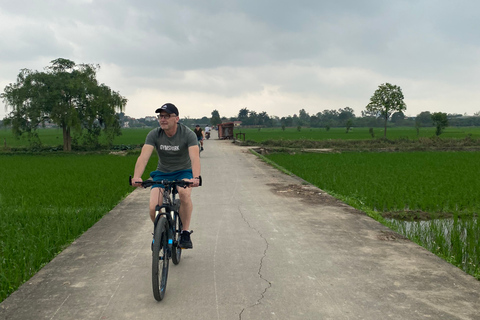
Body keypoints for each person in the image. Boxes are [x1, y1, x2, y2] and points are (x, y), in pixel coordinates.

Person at [131, 103, 201, 249]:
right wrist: (137, 177)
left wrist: (195, 177)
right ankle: (160, 232)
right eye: (160, 116)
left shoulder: (188, 134)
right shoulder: (154, 134)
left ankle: (185, 232)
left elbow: (194, 158)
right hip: (162, 172)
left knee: (184, 194)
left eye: (167, 116)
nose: (163, 119)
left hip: (184, 171)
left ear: (176, 119)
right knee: (153, 207)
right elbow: (144, 157)